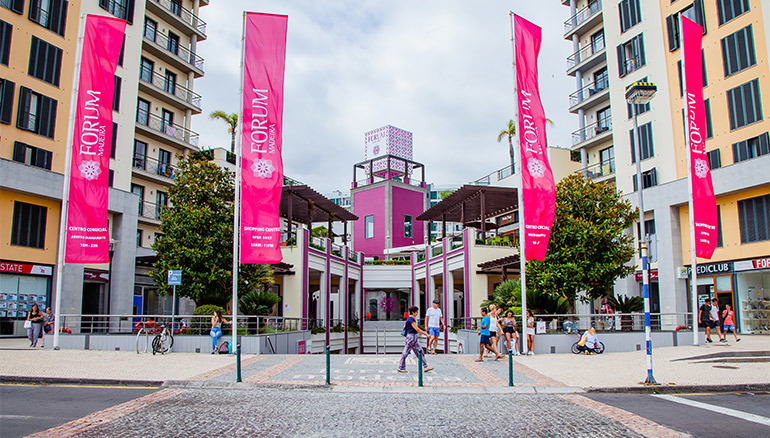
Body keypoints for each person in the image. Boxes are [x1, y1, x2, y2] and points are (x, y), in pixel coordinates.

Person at [398, 306, 433, 373]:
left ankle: (425, 366)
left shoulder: (409, 319)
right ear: (413, 312)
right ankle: (401, 367)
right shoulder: (411, 319)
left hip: (413, 337)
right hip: (411, 337)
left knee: (420, 351)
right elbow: (417, 329)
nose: (417, 313)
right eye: (416, 312)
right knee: (406, 352)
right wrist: (426, 334)